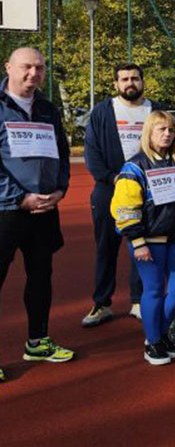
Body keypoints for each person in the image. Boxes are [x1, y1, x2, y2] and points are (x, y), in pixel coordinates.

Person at [0, 48, 74, 379]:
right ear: (9, 68)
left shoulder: (47, 109)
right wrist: (20, 198)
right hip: (7, 211)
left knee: (41, 276)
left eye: (39, 68)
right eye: (27, 67)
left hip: (45, 209)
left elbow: (60, 152)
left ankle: (38, 341)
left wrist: (60, 190)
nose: (33, 73)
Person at [111, 111, 175, 365]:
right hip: (149, 241)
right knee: (153, 291)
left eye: (171, 130)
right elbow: (125, 209)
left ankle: (158, 331)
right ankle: (153, 341)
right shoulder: (134, 167)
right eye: (161, 129)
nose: (167, 134)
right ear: (148, 132)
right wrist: (137, 241)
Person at [83, 63, 162, 327]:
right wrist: (114, 178)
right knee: (106, 248)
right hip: (110, 190)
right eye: (125, 79)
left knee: (143, 248)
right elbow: (91, 152)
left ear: (143, 81)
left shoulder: (155, 110)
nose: (130, 83)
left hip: (148, 191)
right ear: (116, 83)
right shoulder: (103, 112)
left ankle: (139, 300)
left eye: (135, 78)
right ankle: (102, 303)